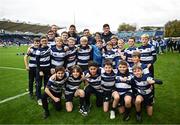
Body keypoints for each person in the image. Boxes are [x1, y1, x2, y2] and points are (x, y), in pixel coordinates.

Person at [36, 36, 51, 105]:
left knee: (46, 84)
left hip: (47, 69)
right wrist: (40, 70)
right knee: (39, 84)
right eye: (43, 41)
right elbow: (37, 61)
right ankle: (39, 98)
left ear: (47, 41)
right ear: (40, 42)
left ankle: (45, 97)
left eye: (45, 41)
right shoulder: (38, 50)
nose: (44, 42)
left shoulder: (49, 48)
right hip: (40, 69)